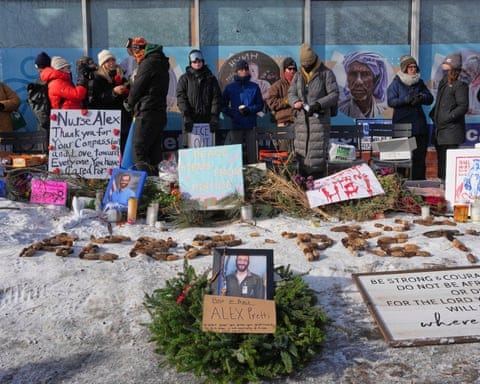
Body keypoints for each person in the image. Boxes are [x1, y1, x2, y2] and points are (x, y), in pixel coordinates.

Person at [287, 43, 339, 178]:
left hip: (319, 122)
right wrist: (295, 102)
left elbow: (334, 95)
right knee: (301, 155)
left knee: (317, 155)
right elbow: (291, 93)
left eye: (307, 64)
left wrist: (319, 104)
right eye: (303, 64)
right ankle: (302, 186)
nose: (305, 66)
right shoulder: (298, 75)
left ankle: (317, 183)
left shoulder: (326, 73)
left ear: (313, 60)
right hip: (301, 122)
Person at [124, 42, 170, 175]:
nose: (136, 56)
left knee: (138, 152)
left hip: (146, 112)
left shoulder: (148, 63)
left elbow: (138, 87)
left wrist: (129, 103)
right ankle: (158, 184)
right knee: (154, 152)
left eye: (136, 52)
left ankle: (145, 187)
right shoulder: (162, 63)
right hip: (159, 112)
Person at [387, 55, 434, 180]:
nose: (413, 69)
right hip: (401, 126)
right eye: (410, 67)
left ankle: (418, 187)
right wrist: (406, 99)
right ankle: (400, 188)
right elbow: (391, 101)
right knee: (401, 160)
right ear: (404, 69)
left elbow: (430, 98)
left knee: (419, 158)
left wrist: (421, 97)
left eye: (414, 67)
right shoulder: (396, 83)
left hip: (418, 127)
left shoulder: (419, 82)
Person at [429, 52, 469, 181]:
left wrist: (448, 117)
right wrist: (434, 115)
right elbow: (440, 102)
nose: (443, 65)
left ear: (452, 66)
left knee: (449, 165)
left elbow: (463, 106)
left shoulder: (460, 84)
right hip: (440, 130)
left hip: (451, 131)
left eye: (446, 63)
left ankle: (449, 190)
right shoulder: (444, 82)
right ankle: (442, 189)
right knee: (441, 162)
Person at [176, 49, 222, 148]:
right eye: (194, 62)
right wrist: (186, 115)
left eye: (199, 61)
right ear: (190, 63)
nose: (197, 64)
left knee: (209, 150)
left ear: (203, 62)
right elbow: (181, 98)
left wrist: (214, 116)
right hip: (191, 120)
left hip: (208, 120)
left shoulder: (211, 78)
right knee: (190, 150)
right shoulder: (184, 79)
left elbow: (216, 98)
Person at [222, 60, 264, 164]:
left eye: (246, 69)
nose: (244, 71)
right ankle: (236, 177)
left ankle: (254, 178)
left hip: (251, 125)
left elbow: (260, 105)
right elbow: (222, 105)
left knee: (252, 155)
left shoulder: (254, 87)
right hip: (236, 126)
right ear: (237, 71)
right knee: (235, 156)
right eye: (241, 69)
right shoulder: (230, 87)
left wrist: (249, 110)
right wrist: (233, 113)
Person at [90, 49, 132, 154]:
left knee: (124, 145)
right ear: (103, 64)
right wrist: (113, 92)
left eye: (113, 60)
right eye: (108, 61)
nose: (112, 63)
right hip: (108, 119)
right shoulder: (97, 78)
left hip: (123, 117)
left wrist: (127, 91)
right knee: (111, 149)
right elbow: (97, 100)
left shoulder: (121, 75)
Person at [339, 51, 389, 118]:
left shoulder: (383, 112)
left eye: (365, 74)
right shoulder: (339, 110)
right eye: (353, 74)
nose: (358, 81)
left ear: (375, 80)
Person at [265, 57, 297, 152]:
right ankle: (285, 167)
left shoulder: (300, 85)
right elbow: (271, 103)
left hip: (299, 122)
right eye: (289, 69)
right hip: (284, 122)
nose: (292, 71)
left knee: (298, 151)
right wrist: (287, 101)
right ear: (284, 70)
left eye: (294, 69)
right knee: (284, 151)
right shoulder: (277, 85)